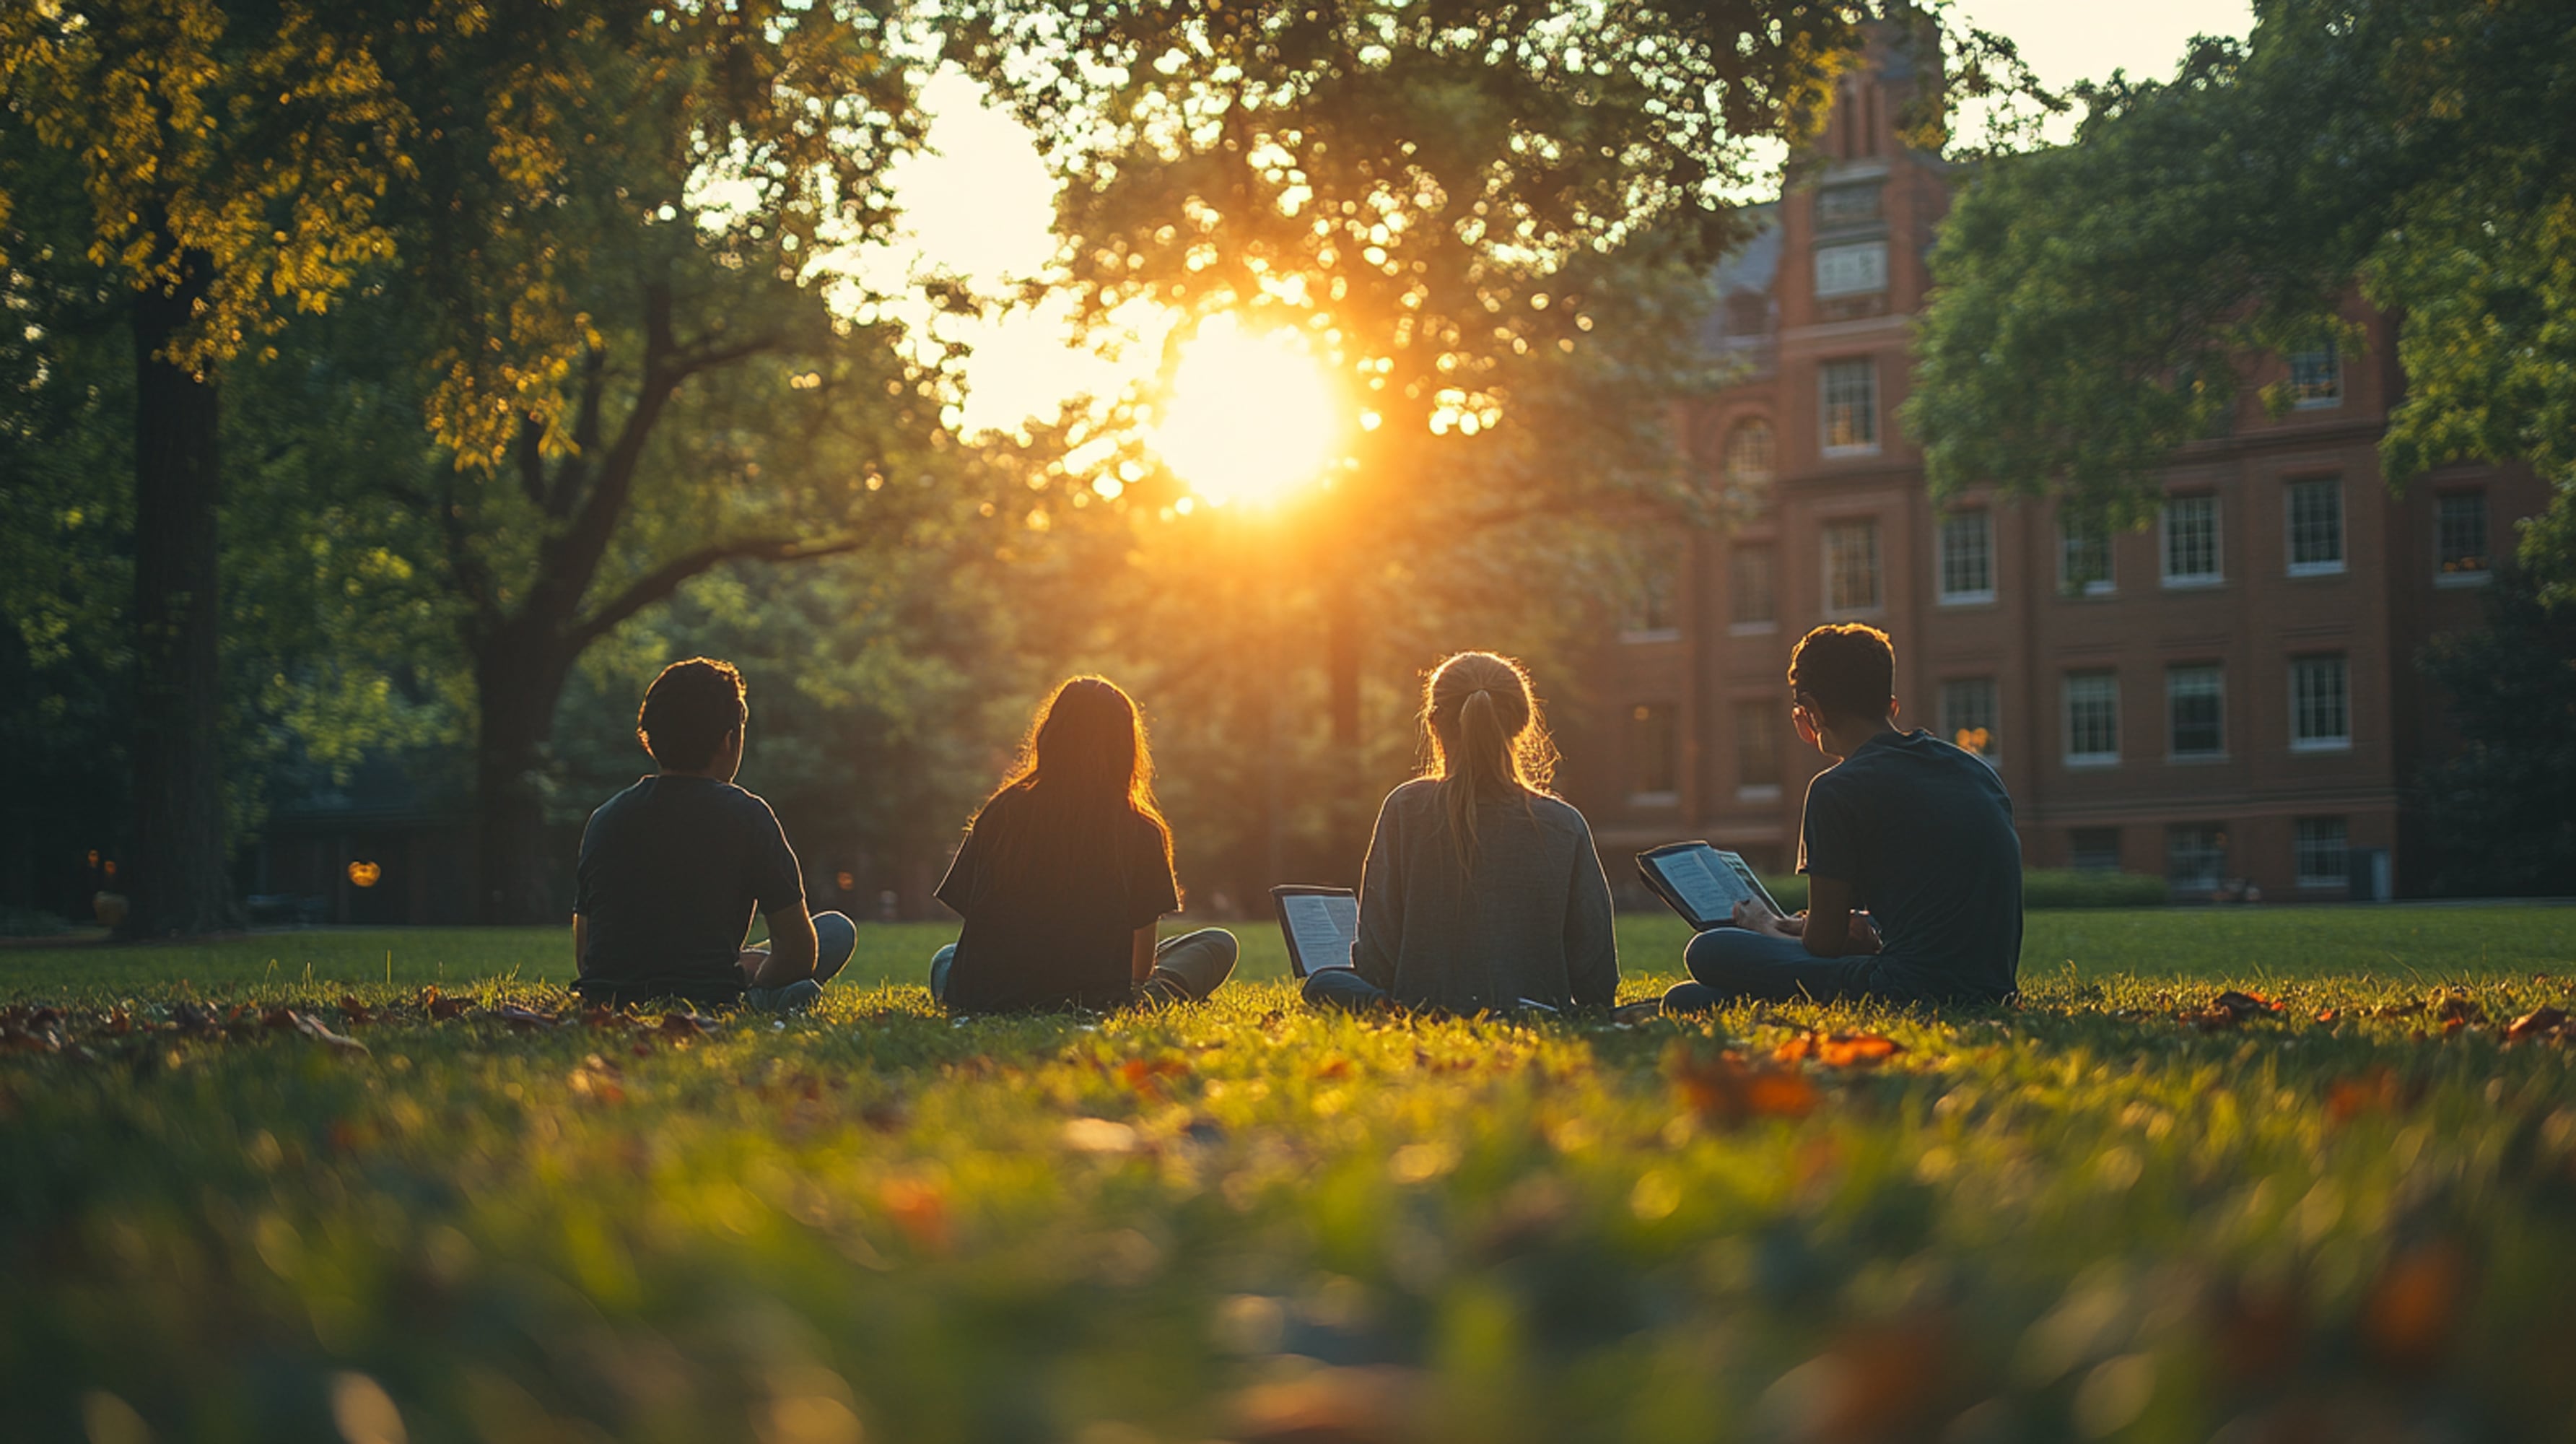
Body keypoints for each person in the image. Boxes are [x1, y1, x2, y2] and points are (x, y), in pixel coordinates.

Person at [1662, 624, 2022, 1012]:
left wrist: (1764, 924)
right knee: (1692, 999)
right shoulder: (1976, 771)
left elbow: (1825, 943)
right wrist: (1811, 925)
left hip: (1907, 985)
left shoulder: (1837, 788)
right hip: (1991, 987)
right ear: (1892, 706)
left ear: (1812, 712)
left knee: (1710, 950)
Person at [1304, 651, 1619, 1015]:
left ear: (1434, 723)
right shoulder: (1564, 824)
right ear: (1521, 724)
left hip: (1422, 1008)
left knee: (1322, 983)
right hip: (1536, 1009)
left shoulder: (1405, 808)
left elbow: (1378, 961)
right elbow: (1595, 973)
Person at [930, 677, 1237, 1012]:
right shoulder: (1139, 827)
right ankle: (1156, 998)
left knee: (946, 958)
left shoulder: (1002, 810)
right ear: (1127, 746)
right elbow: (1140, 970)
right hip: (1094, 998)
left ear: (1050, 734)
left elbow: (974, 918)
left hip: (986, 995)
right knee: (1218, 944)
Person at [571, 658, 854, 1011]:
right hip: (708, 993)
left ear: (650, 738)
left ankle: (768, 991)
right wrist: (752, 976)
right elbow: (798, 953)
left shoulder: (605, 818)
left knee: (812, 940)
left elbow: (586, 956)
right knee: (836, 932)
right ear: (728, 740)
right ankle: (762, 1000)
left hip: (610, 995)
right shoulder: (747, 815)